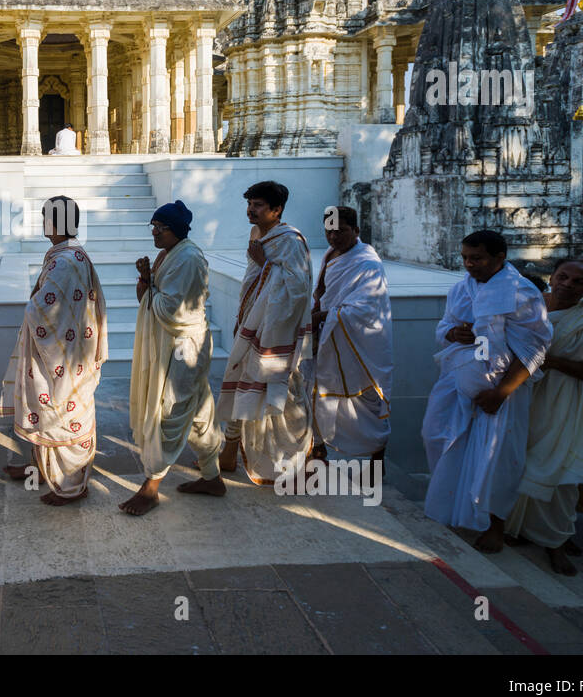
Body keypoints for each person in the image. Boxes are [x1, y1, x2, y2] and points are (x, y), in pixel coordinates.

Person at [422, 230, 551, 552]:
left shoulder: (522, 294)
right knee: (437, 436)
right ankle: (453, 511)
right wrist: (454, 333)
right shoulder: (461, 288)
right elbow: (442, 328)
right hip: (455, 383)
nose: (469, 264)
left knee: (496, 457)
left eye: (476, 258)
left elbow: (533, 350)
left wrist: (501, 392)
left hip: (502, 392)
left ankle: (494, 526)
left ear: (499, 258)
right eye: (465, 258)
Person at [504, 259, 583, 576]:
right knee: (516, 461)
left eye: (578, 282)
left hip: (567, 406)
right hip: (521, 397)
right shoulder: (527, 308)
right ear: (552, 278)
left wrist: (555, 363)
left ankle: (555, 542)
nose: (568, 284)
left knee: (561, 476)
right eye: (563, 277)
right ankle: (515, 528)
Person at [0, 196, 107, 505]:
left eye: (47, 217)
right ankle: (39, 468)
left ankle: (72, 486)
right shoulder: (73, 255)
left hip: (65, 355)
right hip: (69, 349)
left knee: (61, 410)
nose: (43, 222)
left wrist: (32, 304)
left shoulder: (65, 260)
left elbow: (45, 309)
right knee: (49, 406)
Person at [125, 200, 221, 516]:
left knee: (171, 410)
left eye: (158, 228)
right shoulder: (168, 255)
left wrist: (151, 284)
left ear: (173, 230)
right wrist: (146, 277)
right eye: (153, 227)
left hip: (184, 347)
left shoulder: (190, 258)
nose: (153, 233)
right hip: (172, 341)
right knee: (198, 409)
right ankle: (212, 477)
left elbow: (171, 310)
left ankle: (151, 488)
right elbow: (148, 298)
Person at [216, 181, 315, 484]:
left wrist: (265, 265)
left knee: (283, 396)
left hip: (277, 333)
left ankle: (297, 461)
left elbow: (297, 291)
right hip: (253, 324)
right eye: (249, 203)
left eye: (258, 205)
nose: (251, 209)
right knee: (240, 383)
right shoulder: (257, 234)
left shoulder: (290, 240)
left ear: (277, 210)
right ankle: (229, 452)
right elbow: (253, 279)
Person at [310, 206, 394, 461]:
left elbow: (366, 309)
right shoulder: (330, 253)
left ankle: (376, 461)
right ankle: (317, 451)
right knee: (317, 393)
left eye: (341, 231)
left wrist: (324, 316)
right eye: (329, 231)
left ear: (356, 231)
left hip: (360, 343)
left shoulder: (367, 263)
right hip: (329, 335)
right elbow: (323, 292)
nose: (334, 237)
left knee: (365, 404)